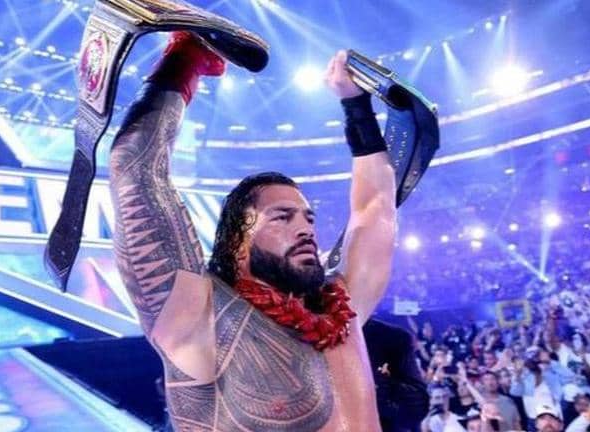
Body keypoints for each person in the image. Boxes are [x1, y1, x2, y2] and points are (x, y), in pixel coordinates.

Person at [109, 31, 398, 431]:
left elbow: (375, 210)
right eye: (282, 217)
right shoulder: (202, 316)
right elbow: (135, 172)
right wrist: (184, 61)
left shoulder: (341, 307)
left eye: (308, 218)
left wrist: (356, 104)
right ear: (236, 241)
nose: (306, 229)